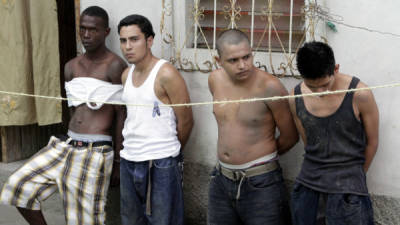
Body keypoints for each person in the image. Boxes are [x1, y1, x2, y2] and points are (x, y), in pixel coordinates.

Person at [0, 6, 127, 225]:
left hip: (95, 151)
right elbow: (73, 110)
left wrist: (118, 161)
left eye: (93, 30)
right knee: (18, 187)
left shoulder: (115, 66)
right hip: (66, 145)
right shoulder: (71, 67)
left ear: (106, 32)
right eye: (82, 29)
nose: (86, 35)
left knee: (84, 220)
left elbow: (122, 116)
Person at [207, 29, 299, 225]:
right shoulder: (215, 79)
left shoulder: (270, 87)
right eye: (233, 60)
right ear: (218, 60)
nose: (242, 65)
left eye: (246, 57)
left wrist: (259, 161)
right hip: (221, 178)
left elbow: (290, 136)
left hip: (261, 183)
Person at [289, 41, 379, 225]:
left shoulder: (360, 94)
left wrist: (355, 177)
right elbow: (308, 142)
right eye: (312, 87)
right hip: (308, 189)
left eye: (325, 85)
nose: (319, 92)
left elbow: (372, 142)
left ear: (336, 69)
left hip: (349, 193)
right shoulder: (295, 97)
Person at [117, 14, 194, 225]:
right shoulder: (126, 75)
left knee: (163, 220)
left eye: (134, 39)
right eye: (123, 41)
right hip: (129, 159)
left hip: (160, 162)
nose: (127, 46)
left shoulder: (166, 73)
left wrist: (170, 152)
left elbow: (186, 120)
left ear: (149, 41)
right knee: (131, 220)